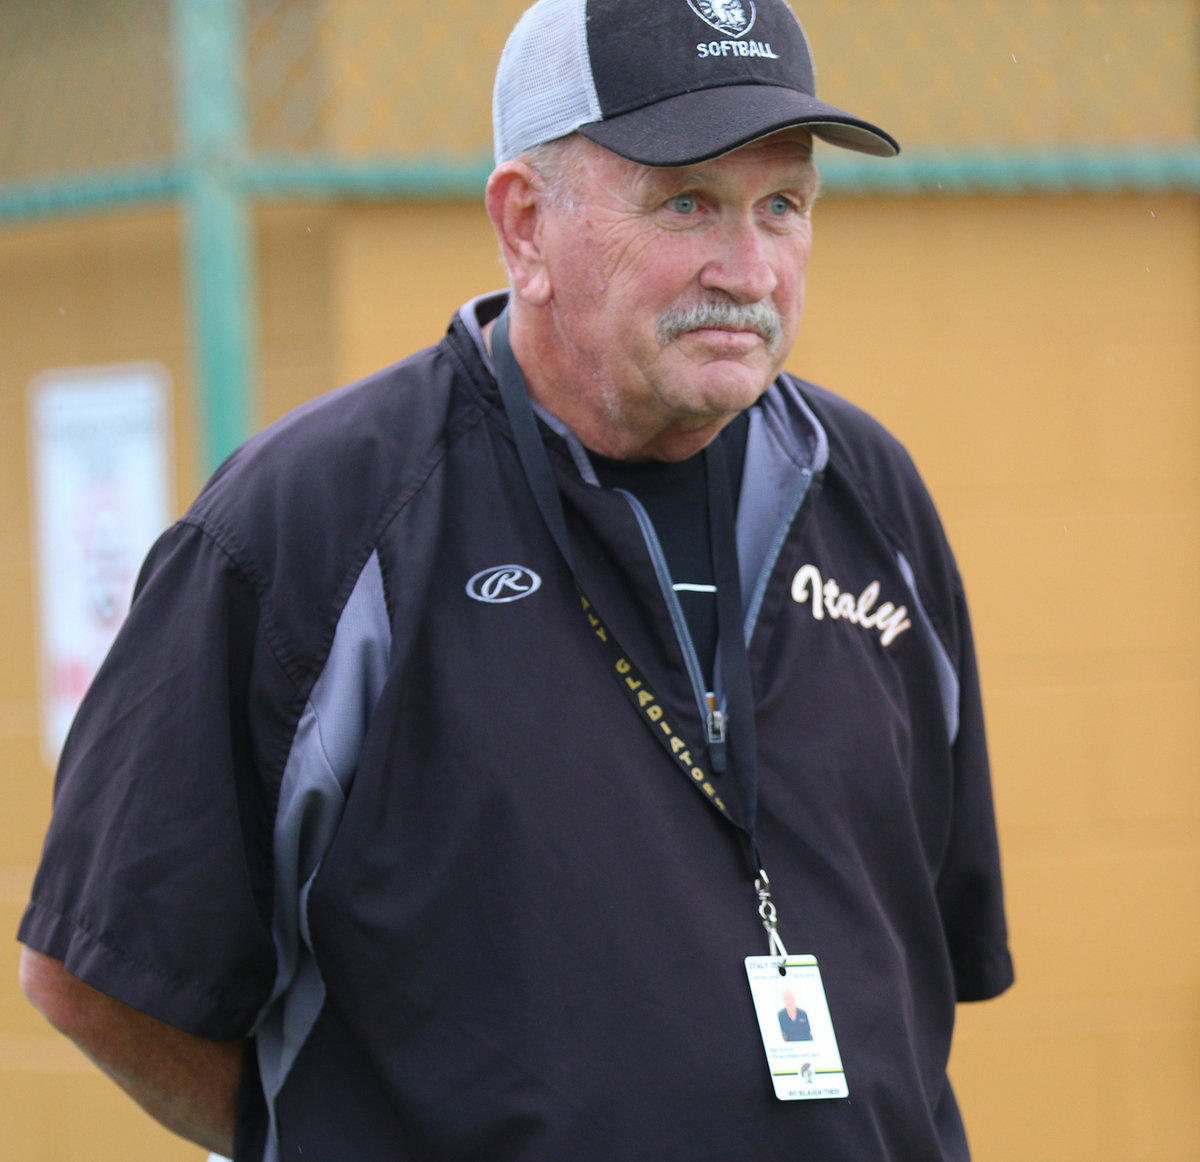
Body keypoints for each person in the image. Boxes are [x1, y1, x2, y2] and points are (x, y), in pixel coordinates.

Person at [18, 1, 1014, 1159]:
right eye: (687, 199)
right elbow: (95, 970)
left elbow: (923, 949)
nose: (749, 267)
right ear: (526, 223)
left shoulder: (869, 494)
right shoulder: (310, 523)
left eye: (782, 204)